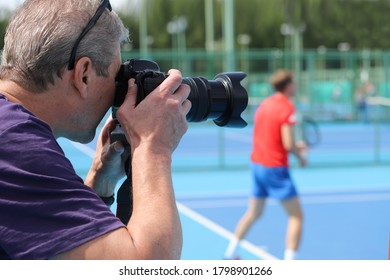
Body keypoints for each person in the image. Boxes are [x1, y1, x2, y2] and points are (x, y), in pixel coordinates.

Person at [0, 0, 191, 260]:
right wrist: (152, 144)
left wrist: (98, 186)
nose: (118, 92)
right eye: (115, 78)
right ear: (84, 74)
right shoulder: (15, 142)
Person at [224, 70, 306, 260]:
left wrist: (294, 146)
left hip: (258, 165)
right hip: (275, 168)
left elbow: (272, 136)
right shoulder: (286, 107)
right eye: (294, 83)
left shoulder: (265, 104)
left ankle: (230, 254)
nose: (295, 86)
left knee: (254, 212)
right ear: (288, 86)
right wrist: (300, 155)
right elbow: (287, 144)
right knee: (296, 216)